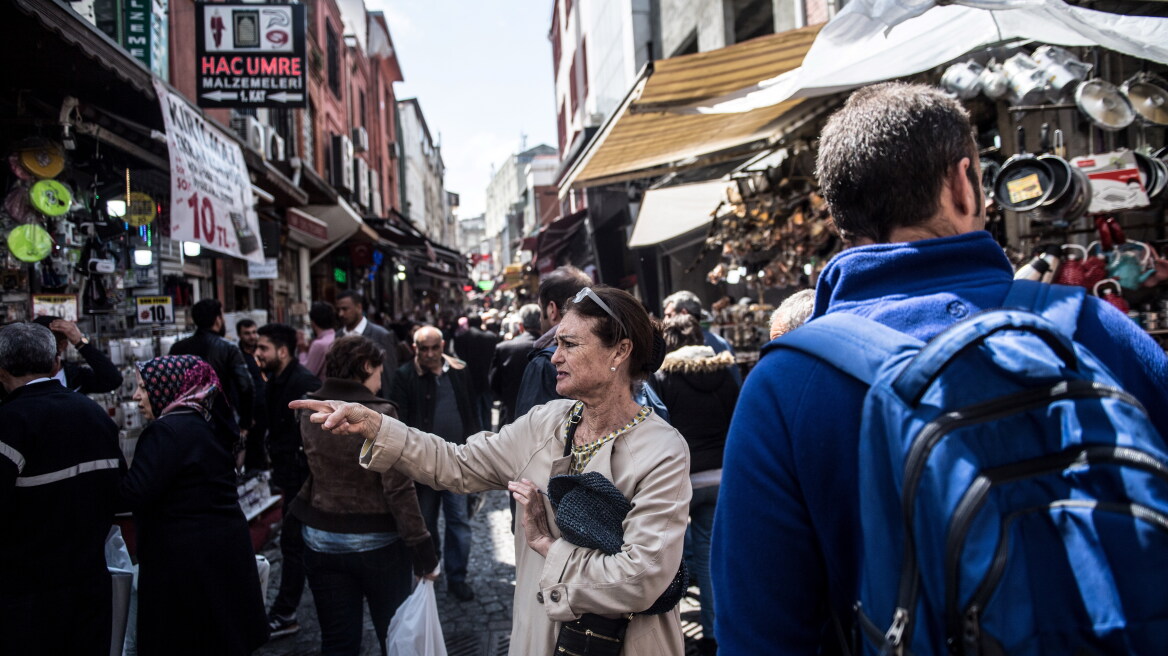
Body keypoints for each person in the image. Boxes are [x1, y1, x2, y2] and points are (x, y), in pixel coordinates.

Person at [711, 82, 1168, 654]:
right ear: (963, 183)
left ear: (838, 218)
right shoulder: (1094, 329)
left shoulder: (785, 387)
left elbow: (760, 634)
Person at [292, 285, 691, 656]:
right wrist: (378, 426)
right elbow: (457, 463)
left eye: (569, 344)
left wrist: (546, 546)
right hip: (538, 637)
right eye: (556, 344)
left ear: (619, 352)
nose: (554, 357)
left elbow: (639, 578)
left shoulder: (662, 449)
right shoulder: (545, 422)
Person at [291, 336, 439, 655]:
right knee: (393, 634)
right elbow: (398, 487)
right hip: (378, 541)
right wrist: (423, 551)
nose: (381, 379)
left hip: (321, 535)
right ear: (367, 367)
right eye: (378, 372)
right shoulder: (379, 414)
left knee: (338, 641)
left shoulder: (309, 408)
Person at [120, 355, 269, 655]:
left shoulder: (166, 430)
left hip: (185, 565)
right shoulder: (205, 421)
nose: (136, 396)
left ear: (167, 388)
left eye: (143, 388)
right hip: (221, 552)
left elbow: (133, 492)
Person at [0, 322, 125, 656]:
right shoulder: (93, 413)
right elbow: (118, 491)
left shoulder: (10, 423)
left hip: (27, 593)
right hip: (90, 582)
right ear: (54, 362)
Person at [651, 314, 739, 656]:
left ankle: (666, 633)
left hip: (681, 479)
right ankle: (713, 632)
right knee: (709, 554)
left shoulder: (662, 378)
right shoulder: (724, 372)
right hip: (720, 476)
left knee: (668, 555)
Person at [389, 325, 482, 601]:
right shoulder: (405, 376)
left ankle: (457, 578)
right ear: (415, 348)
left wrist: (477, 449)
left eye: (434, 348)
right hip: (422, 466)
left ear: (443, 345)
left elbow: (470, 410)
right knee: (426, 523)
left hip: (457, 462)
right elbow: (399, 422)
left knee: (459, 523)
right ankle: (430, 569)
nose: (429, 354)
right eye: (423, 349)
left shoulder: (459, 370)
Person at [256, 322, 322, 638]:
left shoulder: (302, 382)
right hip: (290, 475)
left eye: (263, 348)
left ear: (282, 351)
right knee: (298, 544)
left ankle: (285, 612)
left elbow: (316, 436)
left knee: (294, 543)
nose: (257, 353)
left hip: (304, 478)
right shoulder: (274, 381)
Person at [512, 266, 592, 419]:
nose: (557, 358)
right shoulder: (610, 351)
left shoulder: (543, 364)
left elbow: (528, 433)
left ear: (551, 310)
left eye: (540, 308)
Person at [170, 298, 254, 432]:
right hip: (220, 419)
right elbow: (245, 387)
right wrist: (245, 422)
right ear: (217, 319)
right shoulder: (228, 348)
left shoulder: (177, 348)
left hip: (185, 420)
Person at [32, 315, 123, 393]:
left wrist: (80, 343)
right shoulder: (21, 376)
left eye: (46, 344)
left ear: (62, 345)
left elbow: (113, 379)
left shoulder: (75, 376)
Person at [336, 290, 399, 399]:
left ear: (358, 307)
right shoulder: (339, 335)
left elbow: (389, 376)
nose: (341, 314)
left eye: (345, 309)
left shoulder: (381, 335)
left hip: (373, 403)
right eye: (338, 310)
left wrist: (387, 408)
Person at [489, 303, 540, 426]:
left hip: (512, 413)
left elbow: (494, 382)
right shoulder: (550, 348)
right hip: (543, 418)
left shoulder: (505, 348)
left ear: (521, 326)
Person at [453, 313, 500, 429]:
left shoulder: (461, 338)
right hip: (487, 380)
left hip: (470, 381)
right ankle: (487, 435)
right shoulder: (491, 337)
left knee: (475, 411)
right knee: (487, 410)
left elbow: (459, 361)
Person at [237, 318, 268, 471]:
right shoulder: (237, 356)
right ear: (240, 335)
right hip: (250, 409)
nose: (251, 336)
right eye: (247, 333)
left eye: (254, 332)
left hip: (266, 406)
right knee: (253, 448)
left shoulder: (262, 351)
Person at [299, 301, 337, 379]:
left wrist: (302, 352)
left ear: (313, 323)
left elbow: (306, 373)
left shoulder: (319, 344)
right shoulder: (337, 337)